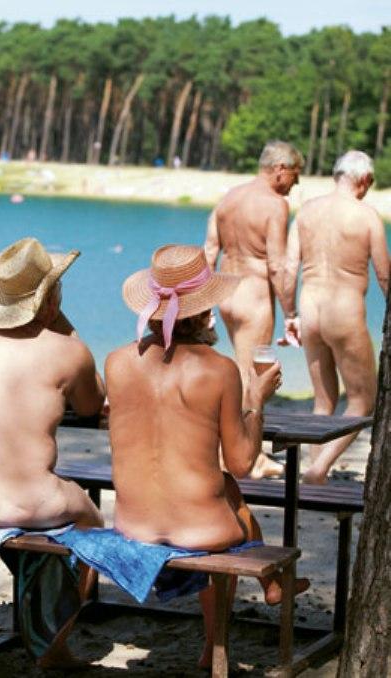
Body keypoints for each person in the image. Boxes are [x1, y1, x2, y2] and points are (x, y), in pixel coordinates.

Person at [106, 244, 309, 668]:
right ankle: (217, 645)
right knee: (231, 496)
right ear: (200, 313)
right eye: (208, 307)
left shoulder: (117, 362)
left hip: (131, 524)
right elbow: (242, 462)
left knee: (227, 490)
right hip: (200, 531)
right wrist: (256, 400)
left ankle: (269, 589)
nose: (213, 314)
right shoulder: (219, 369)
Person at [0, 237, 106, 665]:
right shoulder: (68, 351)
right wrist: (63, 323)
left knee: (1, 517)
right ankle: (55, 636)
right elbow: (92, 404)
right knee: (93, 520)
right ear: (50, 300)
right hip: (29, 503)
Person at [282, 150, 389, 484]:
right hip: (344, 312)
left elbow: (289, 270)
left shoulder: (306, 212)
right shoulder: (367, 216)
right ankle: (318, 470)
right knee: (362, 400)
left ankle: (317, 476)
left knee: (323, 400)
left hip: (310, 310)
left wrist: (289, 315)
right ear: (365, 180)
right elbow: (384, 275)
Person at [204, 140, 304, 478]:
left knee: (240, 371)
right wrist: (290, 314)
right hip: (254, 295)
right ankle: (250, 456)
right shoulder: (275, 205)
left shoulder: (228, 198)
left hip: (226, 293)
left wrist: (205, 303)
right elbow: (276, 265)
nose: (295, 184)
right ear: (279, 169)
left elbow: (209, 252)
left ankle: (229, 449)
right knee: (252, 377)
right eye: (295, 175)